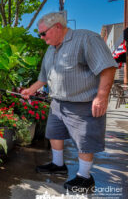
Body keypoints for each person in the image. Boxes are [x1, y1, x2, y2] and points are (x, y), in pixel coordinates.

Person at [21, 12, 117, 192]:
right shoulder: (50, 50)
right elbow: (43, 77)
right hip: (57, 102)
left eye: (43, 33)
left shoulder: (86, 39)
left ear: (57, 27)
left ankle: (84, 177)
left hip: (83, 102)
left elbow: (107, 67)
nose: (41, 38)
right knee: (54, 133)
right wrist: (31, 90)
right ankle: (58, 165)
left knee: (84, 141)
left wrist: (102, 96)